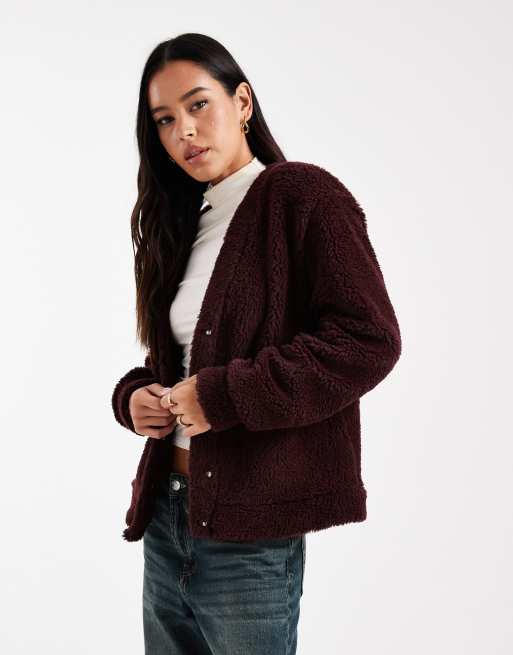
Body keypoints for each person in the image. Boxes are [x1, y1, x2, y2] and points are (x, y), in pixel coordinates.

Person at [111, 32, 402, 655]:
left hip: (249, 533)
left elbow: (368, 339)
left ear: (242, 102)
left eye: (198, 104)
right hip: (168, 515)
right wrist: (136, 395)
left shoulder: (302, 196)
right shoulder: (188, 223)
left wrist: (223, 397)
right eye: (165, 120)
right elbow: (184, 358)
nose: (185, 131)